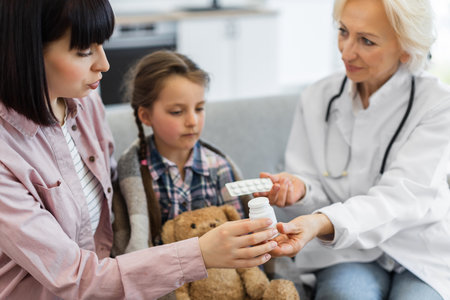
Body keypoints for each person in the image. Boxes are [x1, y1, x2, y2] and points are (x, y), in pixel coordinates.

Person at [0, 1, 278, 299]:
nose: (103, 64)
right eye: (84, 51)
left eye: (102, 45)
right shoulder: (7, 154)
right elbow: (76, 278)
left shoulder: (85, 98)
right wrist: (200, 253)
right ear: (26, 52)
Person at [256, 0, 450, 299]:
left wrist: (323, 221)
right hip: (345, 252)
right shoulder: (317, 97)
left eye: (366, 41)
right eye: (343, 32)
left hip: (418, 250)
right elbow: (312, 185)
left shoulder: (438, 104)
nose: (346, 52)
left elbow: (403, 198)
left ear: (406, 46)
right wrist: (301, 191)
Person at [114, 50, 248, 253]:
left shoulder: (218, 167)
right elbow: (133, 248)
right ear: (146, 116)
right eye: (177, 112)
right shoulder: (134, 175)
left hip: (221, 277)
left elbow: (241, 234)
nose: (192, 121)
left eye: (200, 108)